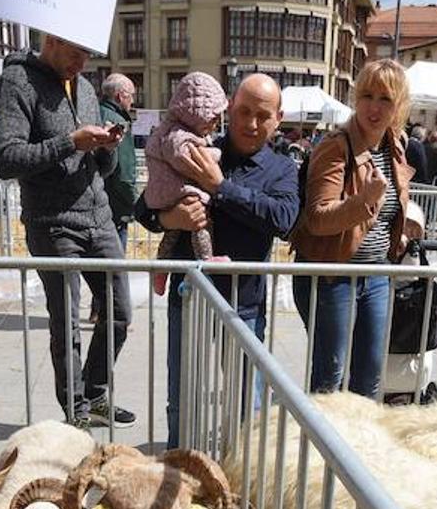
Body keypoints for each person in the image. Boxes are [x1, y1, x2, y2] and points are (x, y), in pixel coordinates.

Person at [133, 73, 297, 445]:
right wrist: (167, 219)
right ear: (229, 109)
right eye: (243, 111)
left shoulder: (282, 168)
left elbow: (284, 220)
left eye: (262, 115)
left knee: (247, 403)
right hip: (188, 297)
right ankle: (178, 468)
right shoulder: (195, 144)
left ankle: (244, 478)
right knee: (182, 397)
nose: (251, 123)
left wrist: (219, 188)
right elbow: (144, 205)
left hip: (245, 305)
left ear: (278, 119)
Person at [0, 33, 132, 428]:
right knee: (66, 322)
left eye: (87, 53)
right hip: (52, 223)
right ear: (51, 40)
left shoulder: (85, 88)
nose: (82, 62)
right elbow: (7, 159)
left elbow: (98, 169)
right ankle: (77, 412)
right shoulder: (17, 82)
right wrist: (70, 141)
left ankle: (94, 391)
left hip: (99, 217)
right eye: (76, 52)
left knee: (120, 311)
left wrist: (104, 149)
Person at [292, 58, 415, 399]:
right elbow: (318, 218)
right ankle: (317, 449)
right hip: (332, 275)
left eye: (385, 99)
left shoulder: (394, 146)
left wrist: (400, 231)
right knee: (328, 378)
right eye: (367, 95)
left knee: (370, 374)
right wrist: (364, 201)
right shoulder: (336, 145)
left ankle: (357, 447)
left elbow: (389, 206)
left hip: (376, 274)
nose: (373, 107)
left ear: (399, 106)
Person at [145, 72, 231, 296]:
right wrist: (214, 155)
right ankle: (206, 259)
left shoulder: (176, 129)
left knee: (173, 232)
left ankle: (161, 270)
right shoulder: (179, 134)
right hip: (174, 189)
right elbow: (184, 157)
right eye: (213, 118)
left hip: (166, 190)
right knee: (199, 219)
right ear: (196, 114)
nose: (215, 125)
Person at [99, 73, 137, 254]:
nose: (132, 101)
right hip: (115, 206)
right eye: (131, 95)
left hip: (94, 203)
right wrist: (134, 204)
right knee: (115, 273)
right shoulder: (119, 122)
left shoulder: (93, 111)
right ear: (120, 96)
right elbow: (124, 171)